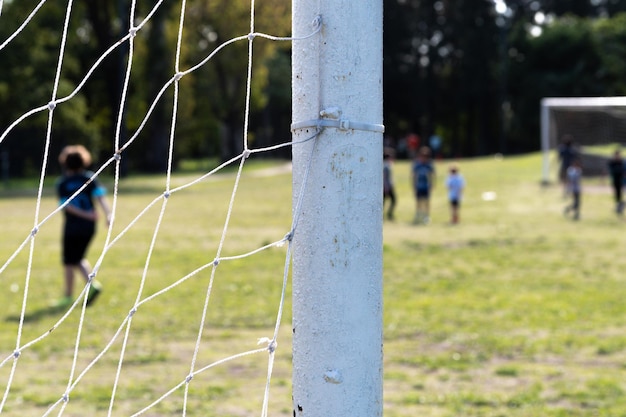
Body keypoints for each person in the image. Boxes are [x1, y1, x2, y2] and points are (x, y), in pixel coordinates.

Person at [55, 145, 111, 308]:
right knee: (77, 258)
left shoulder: (63, 182)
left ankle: (70, 295)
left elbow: (67, 206)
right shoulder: (89, 177)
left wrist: (88, 215)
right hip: (89, 227)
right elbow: (100, 197)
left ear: (64, 163)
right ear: (84, 161)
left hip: (73, 226)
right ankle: (90, 285)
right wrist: (108, 214)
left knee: (68, 260)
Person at [411, 146, 435, 224]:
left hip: (426, 186)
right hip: (419, 186)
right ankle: (418, 214)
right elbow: (414, 175)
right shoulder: (417, 164)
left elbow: (432, 175)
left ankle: (426, 216)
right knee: (418, 202)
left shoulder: (429, 164)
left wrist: (431, 185)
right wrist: (414, 185)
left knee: (426, 202)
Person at [607, 149, 625, 215]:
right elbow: (611, 169)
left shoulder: (621, 162)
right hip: (615, 179)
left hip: (620, 180)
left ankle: (620, 205)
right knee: (616, 193)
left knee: (619, 192)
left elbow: (622, 170)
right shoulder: (613, 162)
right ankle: (619, 205)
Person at [383, 149, 396, 221]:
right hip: (387, 187)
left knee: (384, 202)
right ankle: (389, 214)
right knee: (393, 201)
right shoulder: (386, 166)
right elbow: (385, 178)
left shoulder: (386, 165)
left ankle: (387, 214)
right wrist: (387, 187)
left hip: (387, 186)